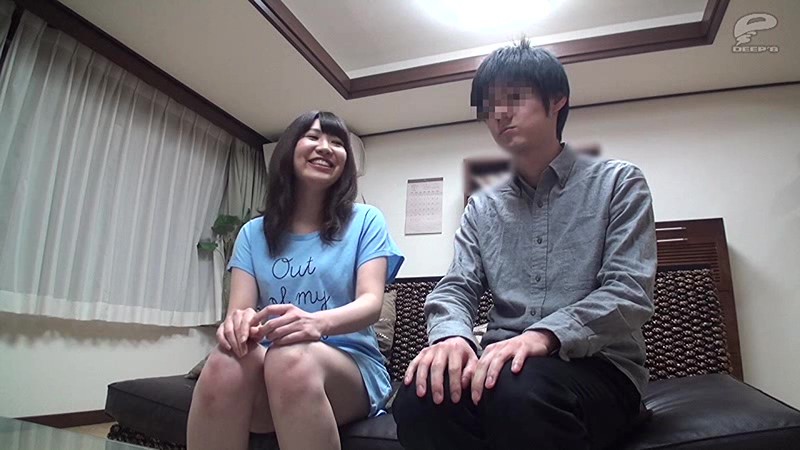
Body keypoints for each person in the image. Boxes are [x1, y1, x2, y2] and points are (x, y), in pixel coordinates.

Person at [393, 39, 656, 450]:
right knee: (419, 397)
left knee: (518, 390)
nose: (499, 113)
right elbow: (456, 286)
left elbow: (629, 290)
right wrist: (452, 337)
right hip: (502, 366)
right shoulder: (482, 206)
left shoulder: (619, 183)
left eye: (514, 97)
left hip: (599, 367)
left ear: (557, 99)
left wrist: (544, 336)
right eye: (488, 106)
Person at [187, 111, 404, 450]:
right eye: (313, 137)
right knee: (222, 363)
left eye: (337, 142)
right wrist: (236, 326)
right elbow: (239, 312)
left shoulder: (365, 220)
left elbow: (371, 303)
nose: (326, 147)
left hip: (347, 367)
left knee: (290, 359)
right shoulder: (252, 234)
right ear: (288, 150)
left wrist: (316, 324)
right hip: (270, 365)